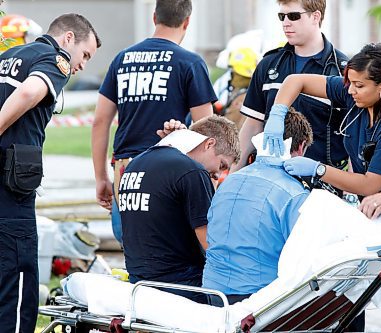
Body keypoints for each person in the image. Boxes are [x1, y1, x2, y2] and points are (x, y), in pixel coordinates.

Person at [263, 43, 381, 332]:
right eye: (349, 83)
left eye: (358, 85)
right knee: (358, 292)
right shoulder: (355, 96)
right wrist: (277, 114)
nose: (351, 90)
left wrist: (319, 169)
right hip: (369, 211)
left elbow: (371, 184)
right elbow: (297, 81)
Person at [0, 14, 100, 332]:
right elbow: (31, 92)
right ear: (68, 38)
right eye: (85, 55)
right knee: (17, 275)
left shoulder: (8, 57)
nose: (81, 66)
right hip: (11, 185)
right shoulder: (52, 58)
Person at [92, 0, 216, 245]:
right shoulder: (190, 63)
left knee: (133, 246)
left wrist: (101, 178)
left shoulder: (122, 59)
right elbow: (207, 126)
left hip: (127, 169)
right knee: (173, 247)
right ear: (187, 21)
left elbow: (100, 121)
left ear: (154, 17)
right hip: (170, 170)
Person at [119, 115, 239, 296]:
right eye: (222, 165)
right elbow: (211, 244)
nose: (218, 175)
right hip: (182, 285)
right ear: (209, 144)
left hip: (139, 283)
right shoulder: (191, 171)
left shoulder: (135, 164)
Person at [202, 108, 313, 305]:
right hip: (260, 302)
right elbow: (302, 258)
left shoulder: (228, 182)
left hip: (213, 291)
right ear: (302, 146)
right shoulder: (294, 194)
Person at [234, 0, 349, 179]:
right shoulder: (268, 64)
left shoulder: (343, 70)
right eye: (282, 16)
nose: (286, 23)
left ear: (315, 17)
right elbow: (253, 124)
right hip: (269, 180)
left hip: (319, 185)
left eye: (294, 16)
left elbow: (354, 135)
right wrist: (233, 175)